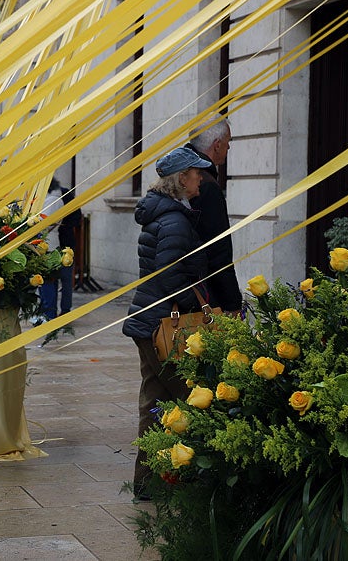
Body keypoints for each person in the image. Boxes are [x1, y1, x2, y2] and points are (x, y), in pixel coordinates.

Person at [121, 145, 212, 499]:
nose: (200, 178)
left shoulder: (165, 215)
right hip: (162, 325)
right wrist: (195, 306)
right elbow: (173, 275)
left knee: (155, 403)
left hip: (148, 322)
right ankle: (190, 480)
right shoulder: (174, 220)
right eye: (195, 173)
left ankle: (147, 483)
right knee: (193, 398)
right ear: (181, 179)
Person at [187, 117, 242, 314]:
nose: (228, 148)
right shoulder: (205, 186)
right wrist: (233, 303)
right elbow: (217, 251)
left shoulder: (180, 176)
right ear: (217, 145)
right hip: (202, 294)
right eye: (228, 142)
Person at [39, 179, 73, 319]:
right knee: (46, 281)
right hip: (46, 244)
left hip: (49, 245)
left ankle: (49, 313)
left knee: (49, 281)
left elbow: (43, 222)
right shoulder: (50, 199)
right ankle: (46, 312)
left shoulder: (53, 200)